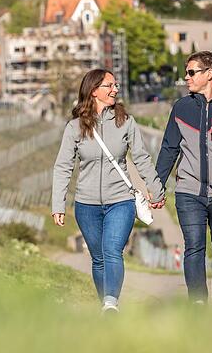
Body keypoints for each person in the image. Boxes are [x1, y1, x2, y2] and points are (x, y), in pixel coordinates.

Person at [51, 69, 165, 313]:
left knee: (112, 250)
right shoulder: (74, 127)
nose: (115, 89)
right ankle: (106, 303)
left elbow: (142, 158)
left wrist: (155, 188)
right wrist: (57, 204)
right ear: (94, 91)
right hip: (86, 204)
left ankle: (111, 304)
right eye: (109, 85)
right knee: (98, 258)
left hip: (120, 200)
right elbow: (63, 166)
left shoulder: (126, 122)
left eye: (115, 85)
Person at [155, 51, 212, 308]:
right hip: (188, 190)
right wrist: (156, 186)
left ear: (209, 74)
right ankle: (197, 302)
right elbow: (169, 149)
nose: (186, 77)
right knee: (194, 246)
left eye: (191, 72)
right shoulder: (182, 108)